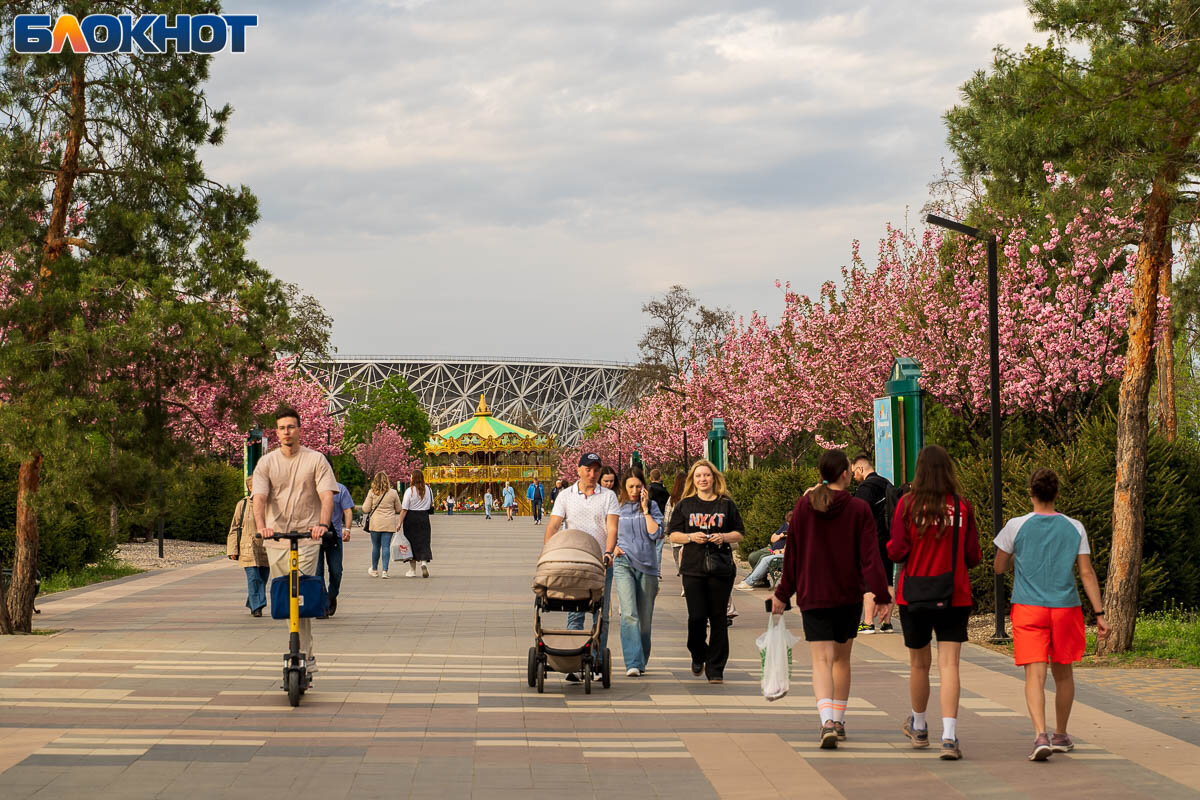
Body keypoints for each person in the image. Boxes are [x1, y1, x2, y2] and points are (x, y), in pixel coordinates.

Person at [772, 449, 891, 749]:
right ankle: (838, 719)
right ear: (845, 474)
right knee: (842, 660)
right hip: (848, 594)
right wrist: (881, 593)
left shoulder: (804, 506)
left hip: (814, 594)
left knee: (821, 661)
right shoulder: (858, 509)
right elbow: (870, 556)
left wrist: (783, 594)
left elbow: (793, 556)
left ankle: (825, 720)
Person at [993, 467, 1109, 762]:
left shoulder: (1015, 526)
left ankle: (1040, 734)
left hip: (1028, 608)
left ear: (1031, 493)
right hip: (1065, 608)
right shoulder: (1075, 527)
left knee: (1035, 673)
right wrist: (1099, 612)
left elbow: (999, 567)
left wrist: (1011, 556)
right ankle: (1062, 734)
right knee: (1064, 673)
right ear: (1056, 493)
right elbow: (1086, 572)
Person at [887, 445, 981, 761]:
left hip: (913, 595)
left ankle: (920, 726)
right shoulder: (962, 507)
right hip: (954, 594)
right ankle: (950, 737)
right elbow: (973, 556)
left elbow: (897, 551)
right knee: (950, 665)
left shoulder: (907, 505)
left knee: (919, 664)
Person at [252, 405, 338, 675]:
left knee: (301, 597)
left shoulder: (316, 460)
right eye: (281, 428)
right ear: (276, 432)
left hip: (307, 538)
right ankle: (295, 646)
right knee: (285, 598)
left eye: (291, 426)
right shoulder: (266, 462)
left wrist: (322, 525)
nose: (286, 432)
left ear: (300, 429)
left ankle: (306, 654)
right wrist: (262, 527)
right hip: (276, 539)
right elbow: (260, 498)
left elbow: (327, 495)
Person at [668, 459, 745, 684]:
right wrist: (691, 537)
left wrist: (724, 537)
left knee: (719, 618)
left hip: (720, 568)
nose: (703, 479)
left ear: (714, 479)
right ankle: (698, 653)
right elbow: (673, 535)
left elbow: (739, 533)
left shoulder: (726, 504)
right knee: (697, 617)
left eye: (707, 475)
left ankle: (716, 668)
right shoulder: (685, 505)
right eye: (699, 476)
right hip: (693, 568)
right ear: (693, 480)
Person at [545, 452, 620, 682]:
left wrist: (608, 553)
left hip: (600, 562)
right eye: (588, 469)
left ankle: (596, 658)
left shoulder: (608, 496)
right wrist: (548, 554)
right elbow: (554, 525)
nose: (592, 473)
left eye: (596, 469)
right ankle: (575, 661)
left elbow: (612, 528)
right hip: (574, 561)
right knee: (575, 611)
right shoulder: (565, 496)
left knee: (601, 615)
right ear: (578, 470)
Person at [613, 470, 665, 676]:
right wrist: (613, 548)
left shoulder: (652, 507)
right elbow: (608, 529)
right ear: (624, 488)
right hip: (623, 563)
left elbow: (656, 533)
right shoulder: (617, 507)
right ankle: (632, 662)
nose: (634, 491)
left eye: (638, 486)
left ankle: (641, 659)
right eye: (630, 487)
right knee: (629, 614)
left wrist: (645, 510)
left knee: (644, 618)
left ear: (644, 487)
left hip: (648, 566)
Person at [852, 455, 897, 634]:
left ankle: (868, 622)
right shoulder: (887, 484)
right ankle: (887, 623)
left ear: (861, 469)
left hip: (872, 539)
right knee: (887, 579)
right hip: (888, 537)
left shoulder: (865, 487)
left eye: (854, 471)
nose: (854, 475)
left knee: (868, 580)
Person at [227, 475, 269, 617]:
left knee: (263, 577)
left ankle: (252, 600)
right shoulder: (242, 505)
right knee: (254, 577)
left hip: (265, 548)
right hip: (247, 547)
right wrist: (232, 549)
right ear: (250, 488)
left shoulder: (269, 504)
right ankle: (257, 606)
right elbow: (234, 527)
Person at [316, 480, 354, 617]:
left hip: (335, 535)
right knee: (316, 572)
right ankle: (322, 604)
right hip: (314, 537)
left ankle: (331, 596)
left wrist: (347, 529)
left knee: (336, 571)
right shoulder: (310, 488)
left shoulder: (340, 489)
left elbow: (348, 510)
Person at [397, 469, 435, 578]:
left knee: (410, 543)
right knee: (424, 541)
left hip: (411, 518)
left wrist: (399, 523)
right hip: (424, 517)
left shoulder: (410, 491)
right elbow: (430, 505)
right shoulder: (429, 490)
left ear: (413, 478)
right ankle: (423, 563)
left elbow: (404, 508)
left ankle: (412, 570)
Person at [362, 472, 401, 578]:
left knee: (375, 546)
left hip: (375, 523)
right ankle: (385, 571)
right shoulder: (393, 493)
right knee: (386, 547)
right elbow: (399, 509)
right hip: (388, 524)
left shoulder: (372, 492)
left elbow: (365, 509)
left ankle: (374, 570)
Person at [736, 516, 788, 590]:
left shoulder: (798, 529)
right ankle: (761, 580)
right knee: (753, 556)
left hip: (780, 553)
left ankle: (748, 581)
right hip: (772, 549)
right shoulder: (785, 525)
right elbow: (772, 539)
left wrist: (780, 551)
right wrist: (781, 535)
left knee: (764, 558)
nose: (788, 525)